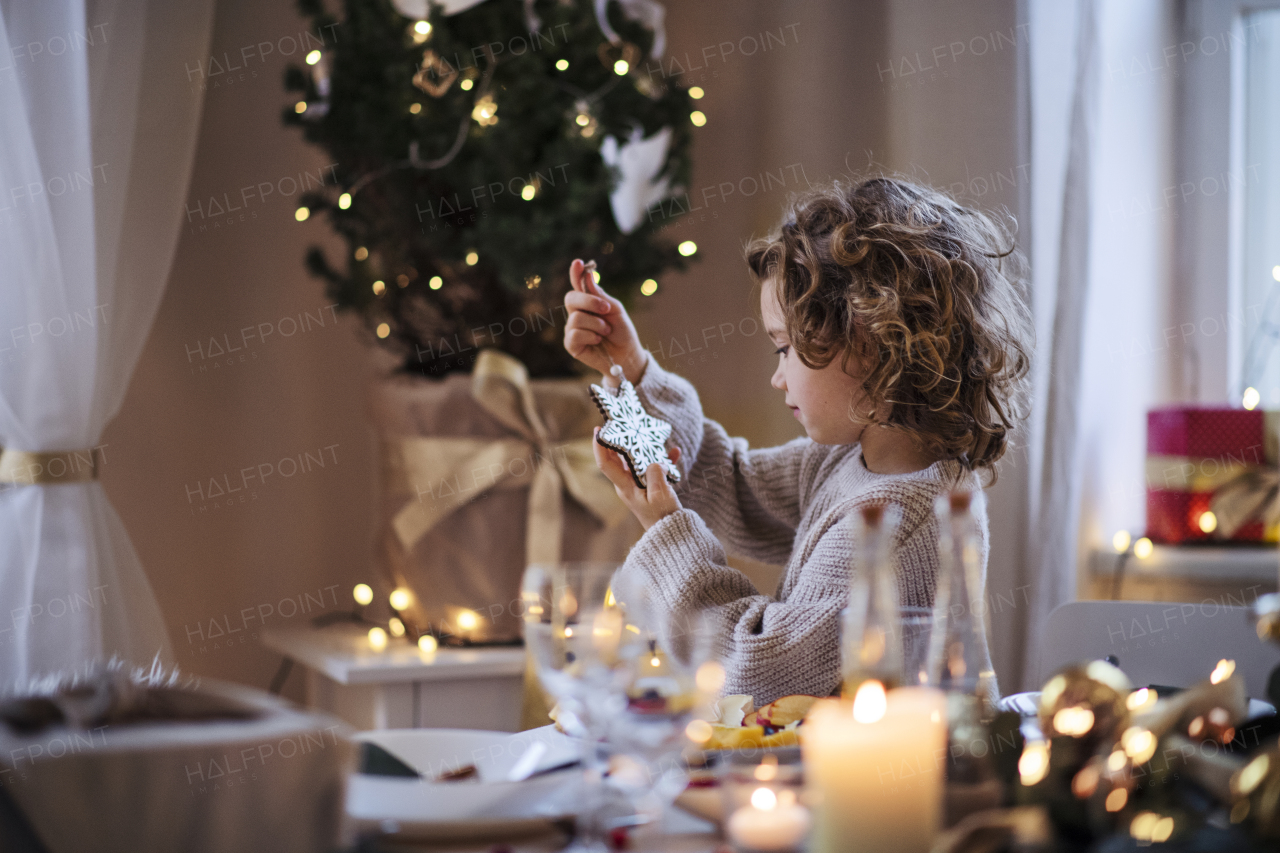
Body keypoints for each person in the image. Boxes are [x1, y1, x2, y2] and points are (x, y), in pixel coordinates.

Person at [562, 176, 1033, 706]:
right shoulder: (848, 460)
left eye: (785, 348)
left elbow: (757, 669)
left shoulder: (898, 520)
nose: (778, 377)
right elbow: (734, 483)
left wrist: (665, 530)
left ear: (876, 342)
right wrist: (634, 369)